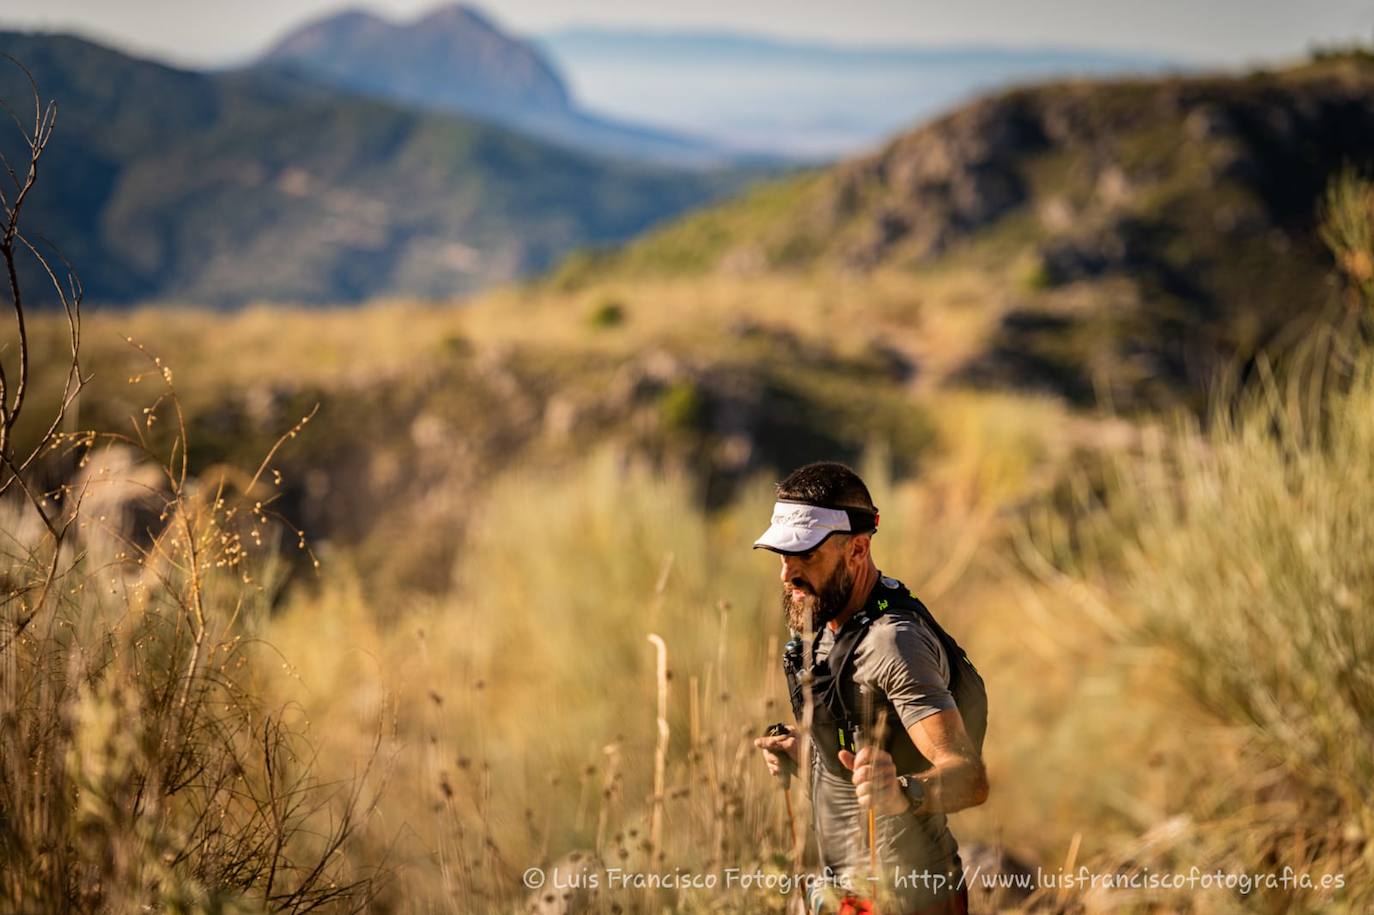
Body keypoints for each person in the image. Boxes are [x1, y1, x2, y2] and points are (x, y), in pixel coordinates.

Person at [752, 461, 988, 915]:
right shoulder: (826, 622)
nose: (787, 574)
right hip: (841, 892)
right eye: (783, 556)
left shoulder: (893, 642)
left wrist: (903, 792)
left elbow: (969, 778)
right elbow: (855, 765)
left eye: (807, 556)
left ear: (858, 550)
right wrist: (805, 754)